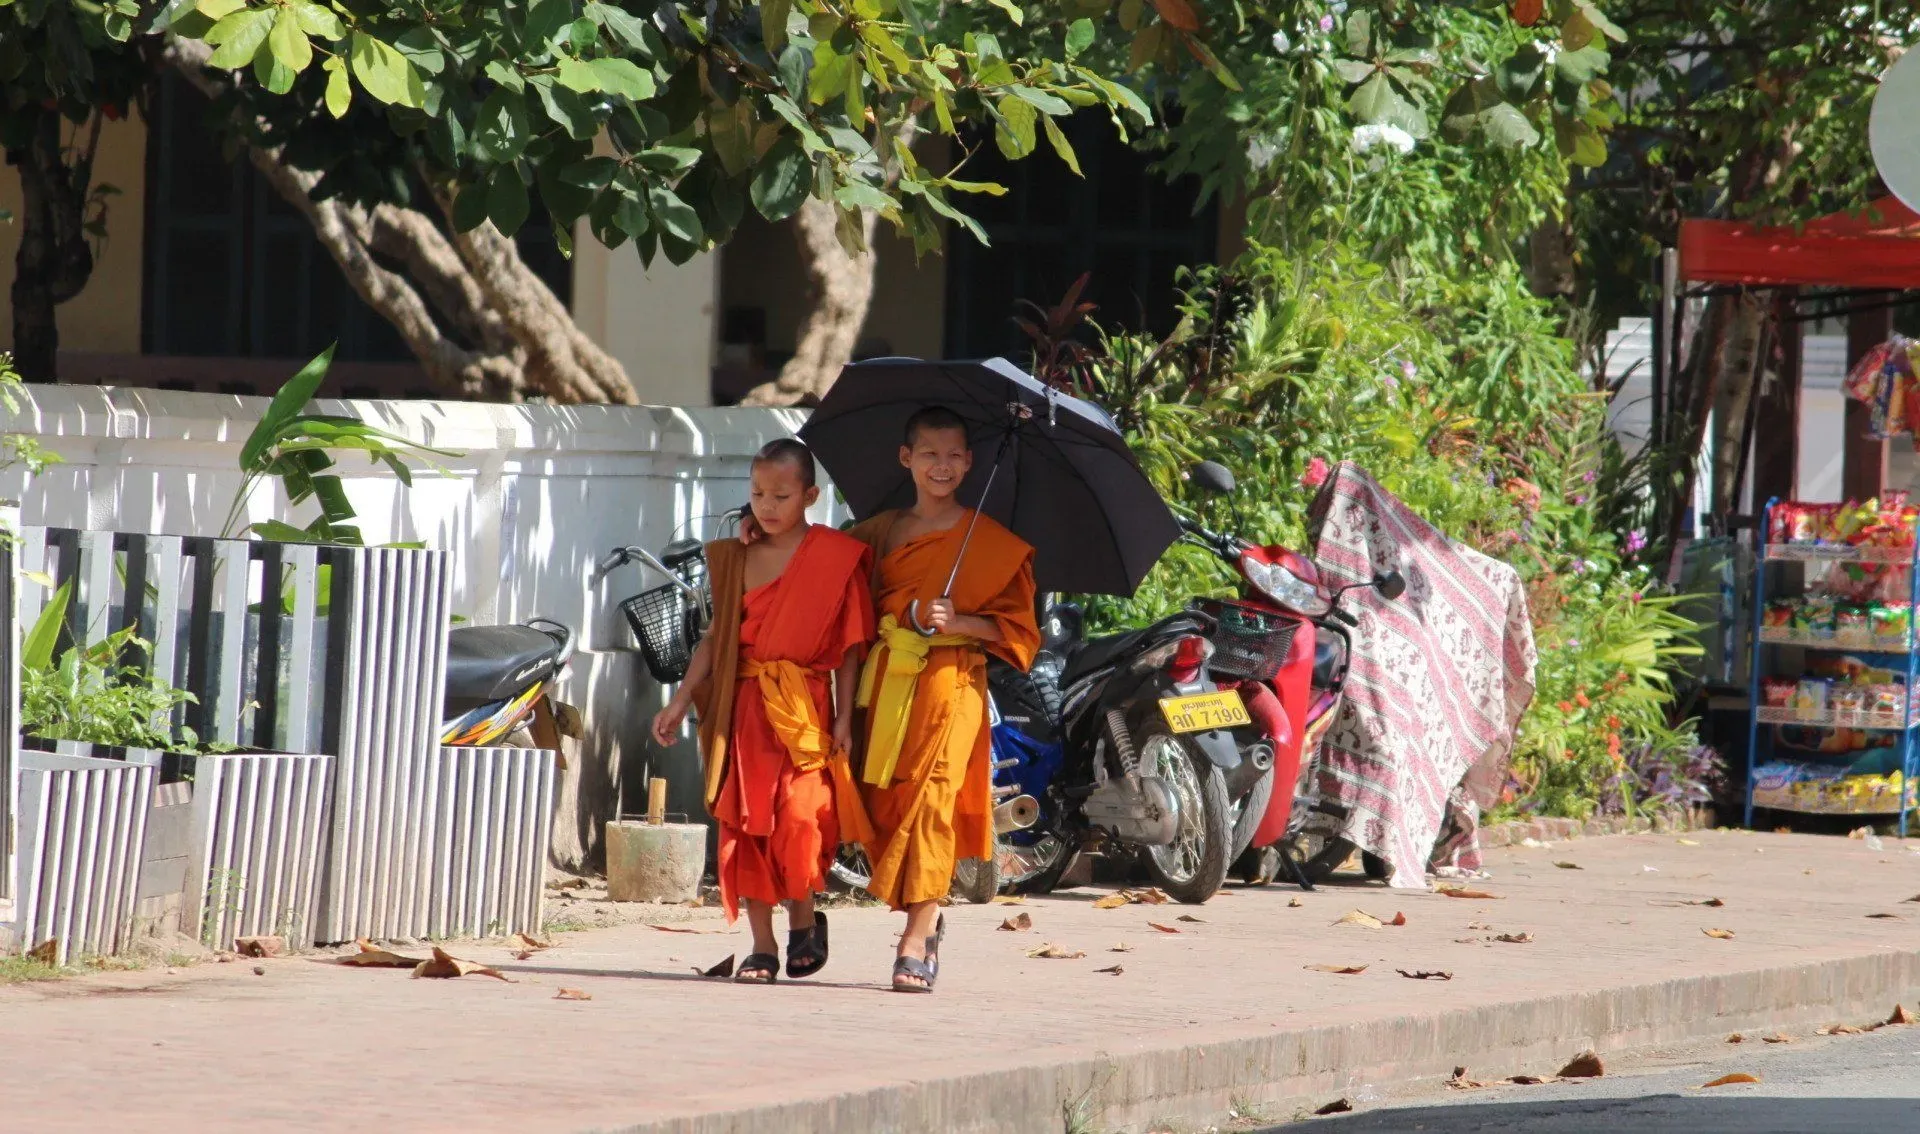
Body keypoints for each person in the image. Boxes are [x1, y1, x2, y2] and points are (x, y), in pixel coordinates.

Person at [651, 438, 875, 984]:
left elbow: (849, 648)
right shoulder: (736, 558)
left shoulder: (835, 557)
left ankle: (802, 915)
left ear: (810, 496)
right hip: (746, 709)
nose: (767, 505)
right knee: (747, 827)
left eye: (780, 494)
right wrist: (680, 700)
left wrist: (845, 717)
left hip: (805, 707)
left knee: (801, 819)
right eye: (756, 494)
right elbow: (716, 639)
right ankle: (762, 945)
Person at [848, 406, 1040, 992]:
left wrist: (963, 620)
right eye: (930, 453)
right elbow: (834, 590)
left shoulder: (992, 543)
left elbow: (1021, 631)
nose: (943, 465)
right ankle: (927, 922)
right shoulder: (878, 533)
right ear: (907, 458)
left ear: (970, 462)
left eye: (955, 455)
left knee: (933, 800)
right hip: (886, 683)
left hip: (953, 680)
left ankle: (916, 934)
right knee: (888, 804)